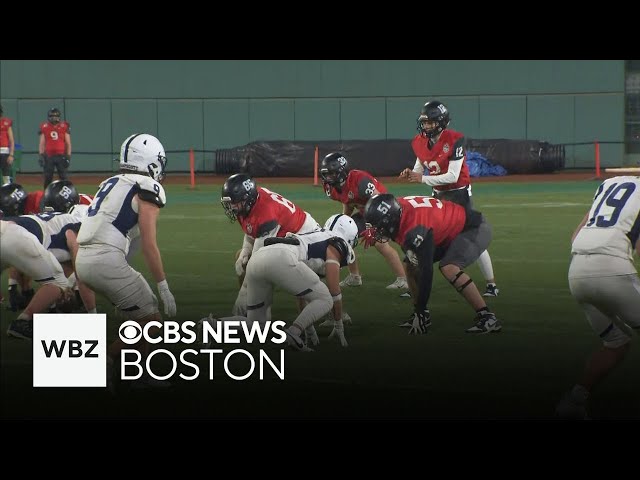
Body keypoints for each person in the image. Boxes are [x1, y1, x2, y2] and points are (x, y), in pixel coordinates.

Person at [75, 133, 176, 385]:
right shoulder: (147, 187)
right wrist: (164, 288)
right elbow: (150, 246)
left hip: (83, 262)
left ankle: (138, 372)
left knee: (140, 316)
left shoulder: (111, 182)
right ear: (150, 162)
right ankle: (104, 363)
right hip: (104, 260)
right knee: (152, 322)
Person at [555, 176, 640, 419]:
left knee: (616, 343)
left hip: (577, 273)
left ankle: (574, 400)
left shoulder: (611, 183)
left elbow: (575, 236)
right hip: (613, 271)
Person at [399, 100, 499, 297]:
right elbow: (420, 166)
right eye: (424, 122)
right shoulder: (419, 141)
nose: (426, 126)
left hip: (459, 194)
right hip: (438, 195)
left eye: (430, 122)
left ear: (441, 122)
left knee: (470, 238)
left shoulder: (455, 140)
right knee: (430, 238)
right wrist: (411, 173)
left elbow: (453, 176)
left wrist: (422, 178)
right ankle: (415, 287)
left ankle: (491, 284)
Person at [364, 193, 502, 334]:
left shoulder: (415, 228)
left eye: (378, 227)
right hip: (447, 229)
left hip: (472, 228)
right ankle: (421, 314)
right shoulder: (397, 211)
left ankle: (488, 318)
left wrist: (421, 309)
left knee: (449, 267)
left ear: (390, 220)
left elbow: (426, 271)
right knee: (409, 264)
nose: (375, 231)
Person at [244, 213, 359, 350]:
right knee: (325, 299)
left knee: (254, 322)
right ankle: (292, 334)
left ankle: (213, 325)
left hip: (258, 257)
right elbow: (334, 291)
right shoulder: (338, 243)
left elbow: (300, 292)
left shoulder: (317, 236)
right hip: (280, 256)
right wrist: (338, 324)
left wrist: (309, 329)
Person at [221, 173, 321, 316]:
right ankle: (257, 308)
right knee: (244, 259)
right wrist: (245, 249)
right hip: (287, 237)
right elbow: (252, 230)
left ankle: (260, 311)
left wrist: (243, 293)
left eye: (234, 203)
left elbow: (257, 261)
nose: (231, 207)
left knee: (265, 267)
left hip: (307, 239)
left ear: (246, 199)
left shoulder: (266, 212)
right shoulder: (252, 201)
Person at [320, 152, 408, 290]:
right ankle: (355, 277)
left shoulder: (360, 180)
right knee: (343, 237)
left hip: (384, 210)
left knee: (379, 243)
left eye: (331, 174)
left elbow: (380, 201)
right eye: (326, 174)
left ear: (341, 172)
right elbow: (347, 201)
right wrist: (345, 221)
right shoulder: (332, 188)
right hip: (365, 212)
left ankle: (403, 279)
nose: (328, 178)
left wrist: (372, 226)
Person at [2, 206, 92, 339]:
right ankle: (22, 322)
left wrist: (14, 287)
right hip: (14, 233)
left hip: (8, 226)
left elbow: (19, 259)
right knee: (58, 283)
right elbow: (81, 274)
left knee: (57, 280)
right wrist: (92, 313)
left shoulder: (61, 223)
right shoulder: (79, 227)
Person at [39, 107, 72, 190]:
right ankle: (46, 195)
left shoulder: (64, 126)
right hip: (49, 156)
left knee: (64, 177)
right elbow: (42, 143)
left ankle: (67, 193)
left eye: (55, 116)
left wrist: (68, 156)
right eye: (52, 116)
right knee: (48, 178)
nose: (54, 118)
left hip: (61, 155)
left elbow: (68, 143)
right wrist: (41, 155)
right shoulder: (45, 127)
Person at [0, 104, 16, 185]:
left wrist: (11, 155)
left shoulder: (6, 123)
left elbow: (11, 140)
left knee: (6, 175)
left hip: (4, 152)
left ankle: (7, 192)